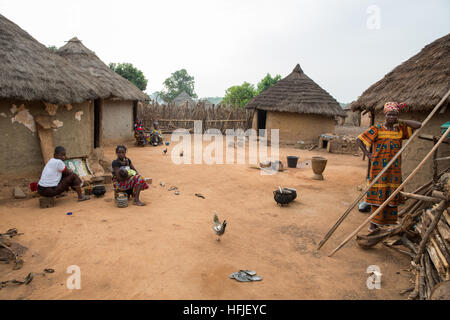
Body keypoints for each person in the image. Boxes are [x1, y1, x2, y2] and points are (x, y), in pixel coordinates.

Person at [356, 102, 421, 232]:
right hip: (379, 169)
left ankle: (387, 225)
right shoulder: (377, 129)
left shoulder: (400, 130)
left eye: (394, 114)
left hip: (394, 170)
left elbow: (419, 125)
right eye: (389, 114)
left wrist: (400, 120)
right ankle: (373, 226)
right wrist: (368, 154)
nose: (392, 117)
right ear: (385, 115)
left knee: (391, 196)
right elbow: (359, 140)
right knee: (378, 197)